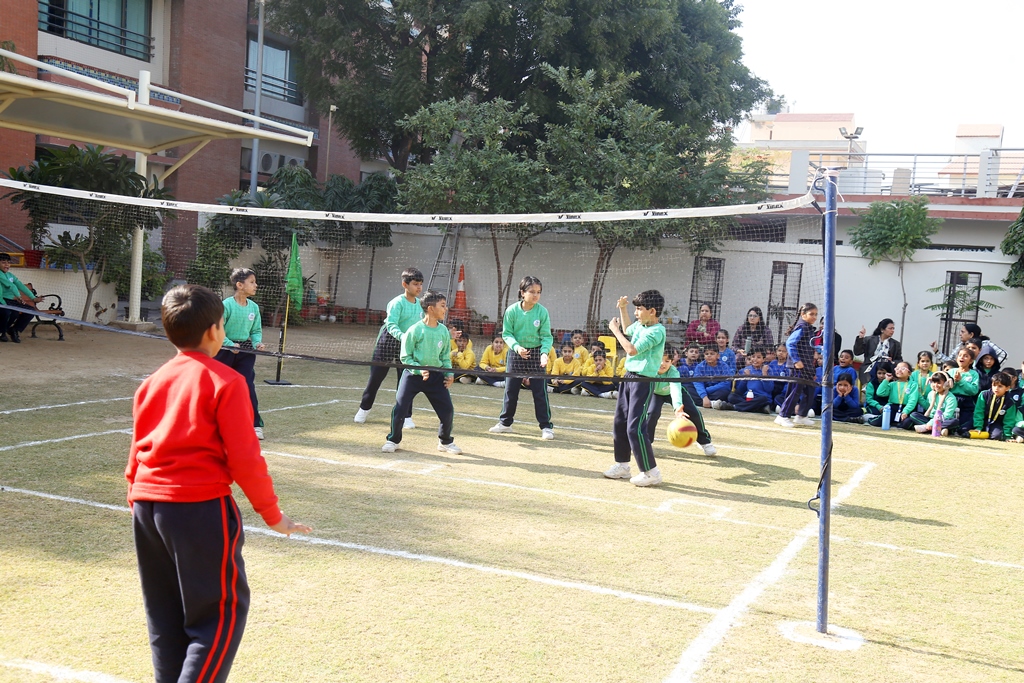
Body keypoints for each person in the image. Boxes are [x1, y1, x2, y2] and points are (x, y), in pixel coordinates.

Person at [127, 284, 310, 683]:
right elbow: (245, 458)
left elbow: (135, 451)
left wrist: (138, 502)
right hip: (198, 509)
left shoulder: (152, 382)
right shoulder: (225, 380)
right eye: (223, 325)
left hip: (146, 506)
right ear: (214, 331)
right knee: (218, 618)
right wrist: (274, 516)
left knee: (165, 619)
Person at [383, 290, 462, 454]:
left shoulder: (443, 331)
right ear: (431, 309)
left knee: (447, 411)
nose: (446, 309)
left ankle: (445, 441)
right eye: (442, 305)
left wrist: (449, 374)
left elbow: (445, 357)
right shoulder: (414, 330)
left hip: (436, 376)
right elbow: (406, 357)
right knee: (400, 409)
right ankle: (393, 440)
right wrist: (418, 370)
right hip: (413, 375)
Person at [602, 290, 667, 486]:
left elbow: (631, 349)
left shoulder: (657, 331)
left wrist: (615, 331)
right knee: (620, 422)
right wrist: (623, 309)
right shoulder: (640, 325)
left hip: (643, 382)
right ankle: (622, 465)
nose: (636, 312)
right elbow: (628, 328)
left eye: (639, 309)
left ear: (652, 311)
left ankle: (651, 472)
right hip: (629, 377)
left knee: (635, 428)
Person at [355, 268, 423, 428]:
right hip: (388, 342)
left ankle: (406, 416)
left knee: (406, 382)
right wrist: (403, 337)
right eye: (415, 284)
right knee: (376, 378)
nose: (419, 287)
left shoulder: (421, 305)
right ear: (405, 284)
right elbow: (391, 325)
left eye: (420, 284)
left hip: (406, 345)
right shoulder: (396, 303)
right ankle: (364, 409)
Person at [489, 276, 554, 439]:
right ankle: (505, 423)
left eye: (538, 292)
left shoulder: (542, 312)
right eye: (532, 291)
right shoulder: (511, 311)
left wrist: (544, 353)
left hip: (536, 354)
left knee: (540, 392)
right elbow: (507, 334)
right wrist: (517, 348)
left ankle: (546, 427)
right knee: (511, 390)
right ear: (522, 292)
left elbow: (546, 336)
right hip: (516, 353)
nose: (535, 295)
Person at [214, 268, 267, 440]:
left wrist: (257, 343)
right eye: (252, 282)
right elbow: (218, 329)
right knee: (220, 386)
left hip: (245, 350)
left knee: (247, 385)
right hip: (224, 349)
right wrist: (230, 344)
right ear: (239, 285)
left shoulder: (254, 307)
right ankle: (213, 423)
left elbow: (256, 330)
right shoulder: (226, 305)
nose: (255, 285)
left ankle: (255, 425)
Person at [647, 345, 717, 455]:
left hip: (674, 392)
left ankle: (705, 442)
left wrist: (678, 408)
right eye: (660, 359)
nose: (662, 364)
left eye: (667, 361)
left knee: (694, 413)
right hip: (655, 393)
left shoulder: (674, 372)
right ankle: (646, 444)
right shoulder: (648, 370)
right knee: (652, 414)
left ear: (672, 361)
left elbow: (675, 390)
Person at [775, 303, 818, 428]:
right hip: (798, 366)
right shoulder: (802, 327)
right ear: (803, 314)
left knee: (810, 390)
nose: (814, 317)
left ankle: (801, 415)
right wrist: (796, 360)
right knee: (794, 391)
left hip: (807, 366)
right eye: (811, 314)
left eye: (816, 314)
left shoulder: (809, 328)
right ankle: (783, 416)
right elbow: (790, 343)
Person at [0, 252, 43, 343]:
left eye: (8, 262)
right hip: (2, 301)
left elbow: (20, 285)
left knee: (30, 311)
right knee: (10, 313)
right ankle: (2, 332)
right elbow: (11, 286)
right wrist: (19, 297)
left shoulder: (10, 275)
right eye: (3, 262)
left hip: (11, 301)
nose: (7, 265)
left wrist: (33, 298)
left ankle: (14, 330)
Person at [903, 371, 958, 436]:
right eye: (934, 382)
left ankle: (927, 428)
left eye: (939, 383)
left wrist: (932, 423)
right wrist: (918, 394)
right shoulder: (931, 394)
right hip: (930, 418)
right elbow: (927, 406)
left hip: (943, 420)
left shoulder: (951, 398)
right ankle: (939, 429)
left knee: (954, 422)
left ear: (947, 384)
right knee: (913, 415)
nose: (936, 385)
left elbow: (947, 415)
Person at [721, 347, 774, 413]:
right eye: (753, 357)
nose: (755, 359)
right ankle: (759, 408)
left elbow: (769, 389)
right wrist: (745, 378)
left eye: (758, 357)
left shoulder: (767, 369)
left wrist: (764, 374)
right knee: (732, 396)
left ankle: (734, 407)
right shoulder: (746, 370)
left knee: (763, 399)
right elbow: (740, 390)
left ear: (764, 359)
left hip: (760, 398)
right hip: (748, 397)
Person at [867, 361, 918, 427]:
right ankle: (868, 418)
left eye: (903, 368)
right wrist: (886, 380)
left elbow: (912, 400)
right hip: (892, 407)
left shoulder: (913, 384)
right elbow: (880, 393)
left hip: (905, 408)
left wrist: (906, 411)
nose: (899, 370)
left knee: (908, 423)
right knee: (878, 422)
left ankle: (895, 422)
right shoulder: (892, 384)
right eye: (897, 368)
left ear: (909, 373)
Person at [853, 318, 903, 386]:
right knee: (872, 373)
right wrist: (860, 338)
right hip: (870, 366)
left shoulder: (896, 344)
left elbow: (899, 360)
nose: (892, 331)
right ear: (882, 329)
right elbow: (857, 352)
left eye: (893, 329)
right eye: (890, 328)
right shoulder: (869, 340)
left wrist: (892, 361)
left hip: (887, 367)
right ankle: (869, 387)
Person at [931, 323, 1006, 366]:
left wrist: (992, 367)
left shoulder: (986, 344)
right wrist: (936, 351)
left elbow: (1004, 354)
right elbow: (951, 362)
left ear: (971, 334)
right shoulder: (961, 345)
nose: (960, 334)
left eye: (963, 332)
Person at [972, 371, 1018, 440]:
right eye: (994, 385)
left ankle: (987, 434)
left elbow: (1009, 420)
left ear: (1007, 388)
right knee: (964, 429)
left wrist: (1007, 436)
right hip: (981, 420)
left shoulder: (1010, 402)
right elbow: (979, 412)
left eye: (1000, 386)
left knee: (997, 435)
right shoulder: (984, 395)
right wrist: (978, 427)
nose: (996, 388)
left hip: (995, 423)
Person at [950, 347, 980, 435]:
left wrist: (961, 381)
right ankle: (950, 428)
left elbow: (974, 390)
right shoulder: (951, 371)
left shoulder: (974, 374)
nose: (962, 357)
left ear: (971, 361)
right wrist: (953, 381)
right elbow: (945, 387)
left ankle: (960, 429)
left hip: (966, 401)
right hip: (952, 398)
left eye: (966, 356)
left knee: (966, 424)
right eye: (960, 355)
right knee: (950, 419)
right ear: (957, 358)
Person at [766, 343, 791, 410]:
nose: (781, 353)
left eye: (784, 351)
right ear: (776, 352)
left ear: (788, 353)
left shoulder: (788, 365)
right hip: (772, 388)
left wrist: (784, 393)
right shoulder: (772, 363)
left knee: (778, 399)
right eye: (779, 350)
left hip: (782, 390)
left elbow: (788, 382)